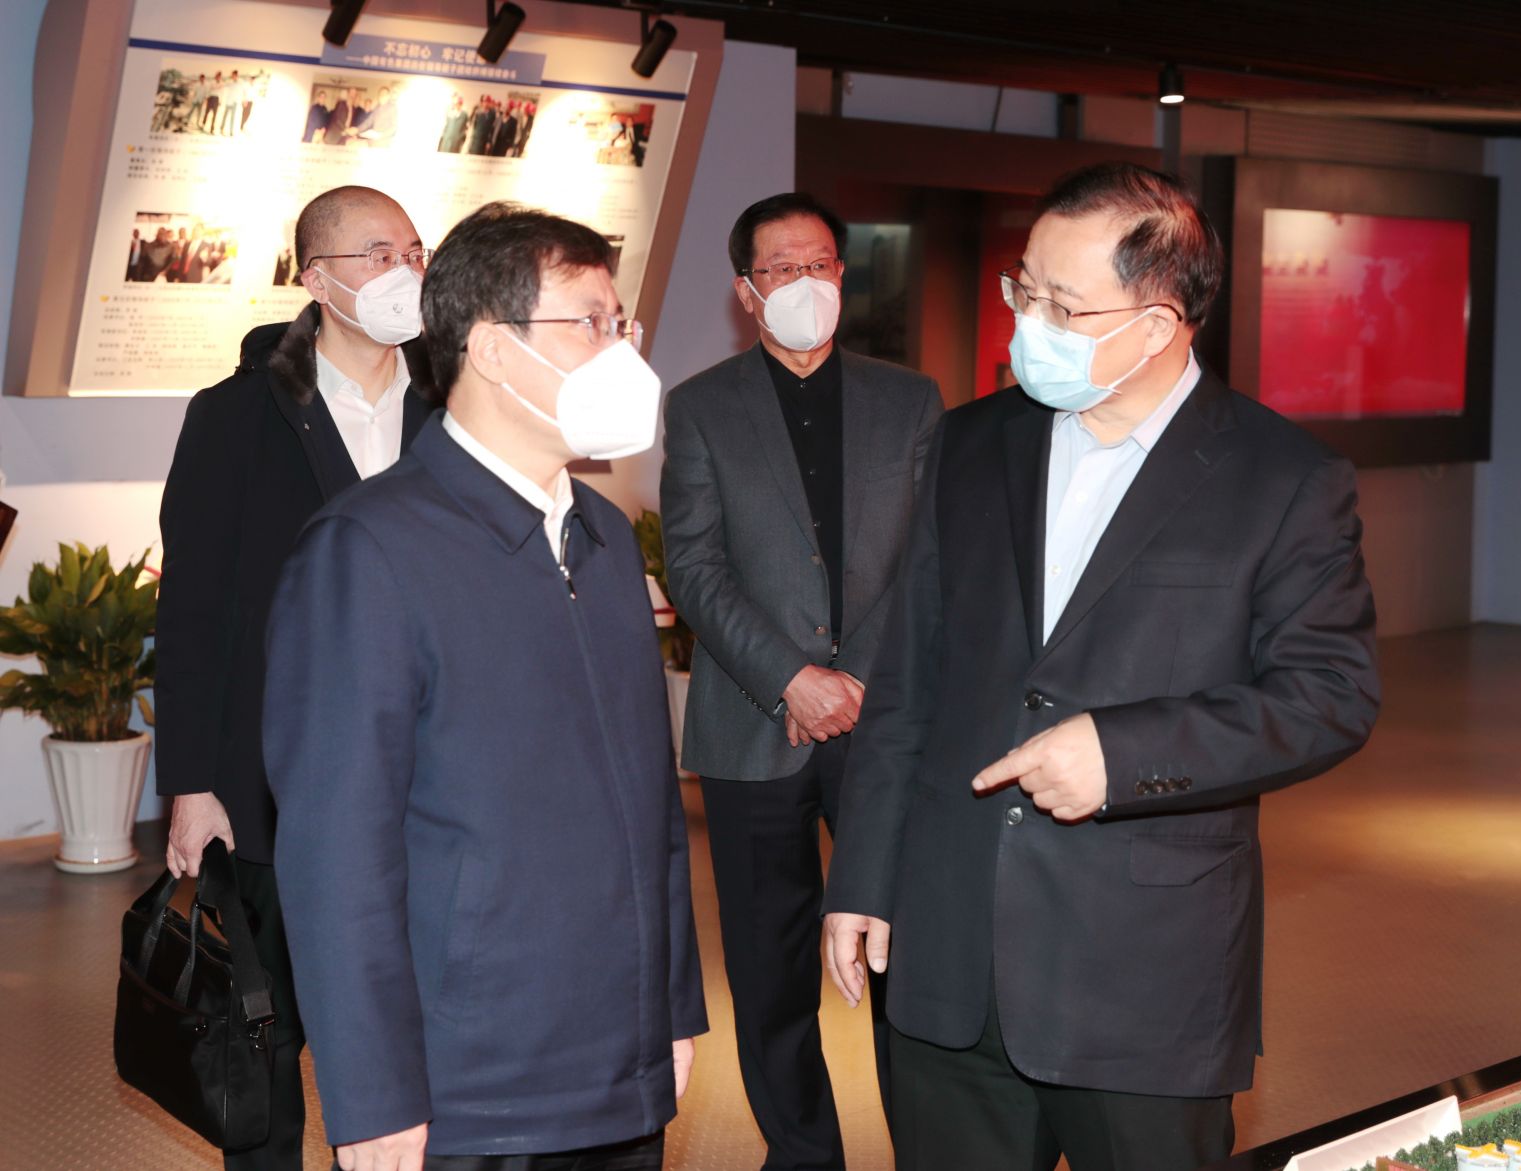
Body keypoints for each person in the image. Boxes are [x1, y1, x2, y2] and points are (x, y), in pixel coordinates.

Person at [820, 162, 1381, 1171]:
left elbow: (1329, 695)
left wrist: (1122, 756)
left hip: (1142, 983)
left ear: (1158, 325)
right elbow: (907, 680)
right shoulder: (968, 443)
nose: (1025, 324)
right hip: (948, 957)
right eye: (1023, 291)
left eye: (1061, 306)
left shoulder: (1283, 479)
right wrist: (862, 873)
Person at [262, 201, 706, 1171]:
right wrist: (372, 1094)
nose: (621, 351)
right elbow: (337, 853)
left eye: (622, 323)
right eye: (590, 323)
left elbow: (653, 810)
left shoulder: (599, 532)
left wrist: (672, 1009)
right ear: (496, 350)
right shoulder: (369, 549)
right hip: (467, 1083)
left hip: (619, 1059)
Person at [155, 184, 438, 1171]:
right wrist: (192, 782)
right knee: (267, 1042)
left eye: (415, 250)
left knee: (425, 1034)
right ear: (317, 279)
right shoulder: (237, 415)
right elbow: (192, 611)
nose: (405, 271)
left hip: (431, 784)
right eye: (377, 254)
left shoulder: (455, 406)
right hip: (274, 787)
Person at [660, 192, 943, 1171]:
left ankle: (928, 1147)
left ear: (842, 276)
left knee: (906, 952)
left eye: (819, 263)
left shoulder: (910, 399)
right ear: (747, 291)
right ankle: (803, 1155)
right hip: (753, 720)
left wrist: (853, 675)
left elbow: (929, 558)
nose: (803, 283)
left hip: (886, 722)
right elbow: (694, 565)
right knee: (769, 969)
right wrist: (792, 678)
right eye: (780, 269)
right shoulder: (701, 404)